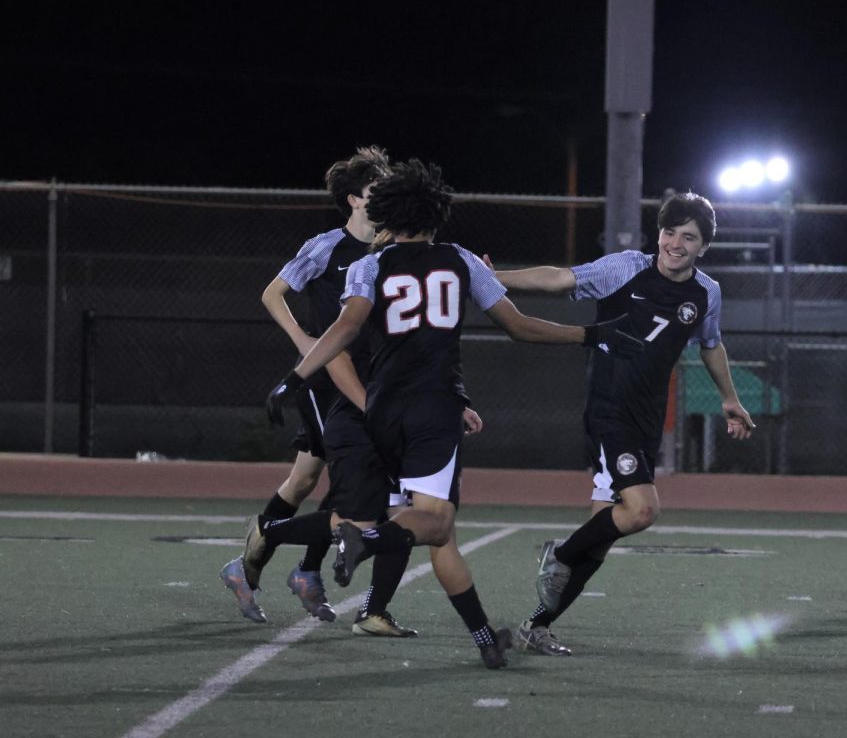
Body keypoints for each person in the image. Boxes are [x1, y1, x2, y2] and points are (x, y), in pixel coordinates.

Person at [266, 158, 643, 670]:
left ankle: (486, 638)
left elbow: (345, 329)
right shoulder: (461, 260)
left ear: (385, 212)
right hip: (435, 410)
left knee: (427, 523)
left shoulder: (367, 266)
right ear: (436, 210)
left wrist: (293, 378)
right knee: (436, 524)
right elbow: (519, 325)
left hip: (380, 409)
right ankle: (365, 540)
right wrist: (588, 334)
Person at [489, 192, 757, 657]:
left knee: (603, 532)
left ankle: (538, 625)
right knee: (641, 510)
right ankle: (561, 554)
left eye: (688, 237)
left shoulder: (706, 292)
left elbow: (711, 344)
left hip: (645, 419)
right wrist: (495, 278)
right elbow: (559, 279)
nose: (675, 243)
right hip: (609, 412)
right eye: (669, 232)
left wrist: (729, 399)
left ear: (704, 246)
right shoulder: (626, 267)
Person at [219, 146, 391, 624]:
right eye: (377, 190)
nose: (385, 198)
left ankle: (256, 567)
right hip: (323, 379)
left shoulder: (387, 251)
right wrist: (302, 340)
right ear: (356, 199)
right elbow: (273, 292)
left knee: (304, 480)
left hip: (364, 377)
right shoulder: (325, 247)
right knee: (338, 474)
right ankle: (296, 569)